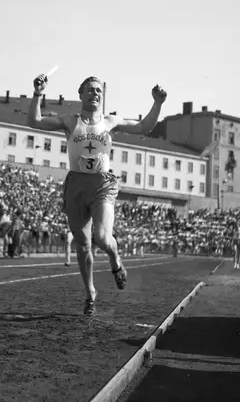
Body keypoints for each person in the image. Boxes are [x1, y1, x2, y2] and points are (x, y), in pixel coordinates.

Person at [28, 73, 167, 315]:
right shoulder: (70, 121)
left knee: (102, 238)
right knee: (83, 245)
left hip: (102, 184)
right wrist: (38, 93)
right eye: (90, 89)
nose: (95, 93)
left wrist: (157, 103)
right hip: (76, 185)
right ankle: (90, 292)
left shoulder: (110, 121)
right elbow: (35, 122)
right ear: (80, 94)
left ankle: (116, 259)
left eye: (98, 90)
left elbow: (144, 127)